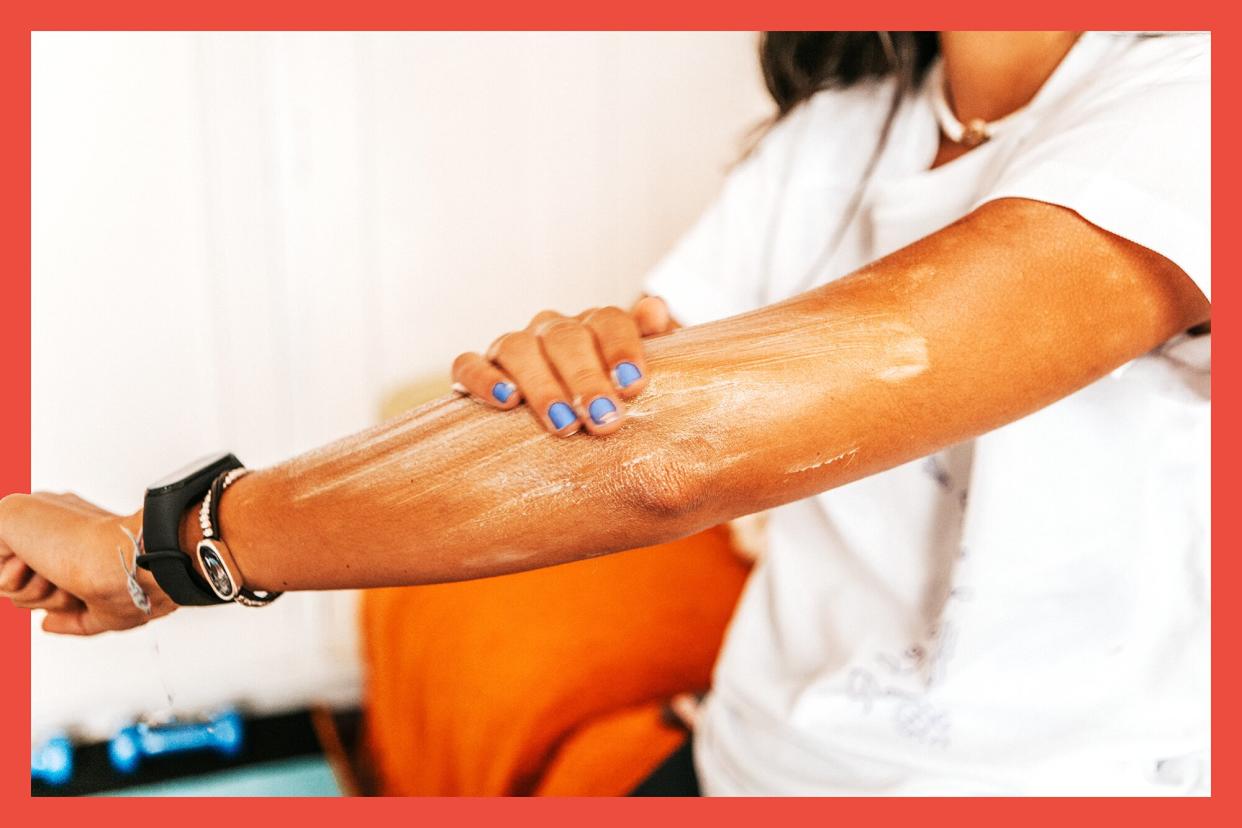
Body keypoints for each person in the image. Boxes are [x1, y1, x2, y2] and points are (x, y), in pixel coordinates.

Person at [2, 31, 1210, 795]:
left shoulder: (1193, 98)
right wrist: (569, 366)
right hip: (747, 763)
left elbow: (662, 460)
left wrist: (153, 551)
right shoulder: (831, 138)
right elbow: (611, 410)